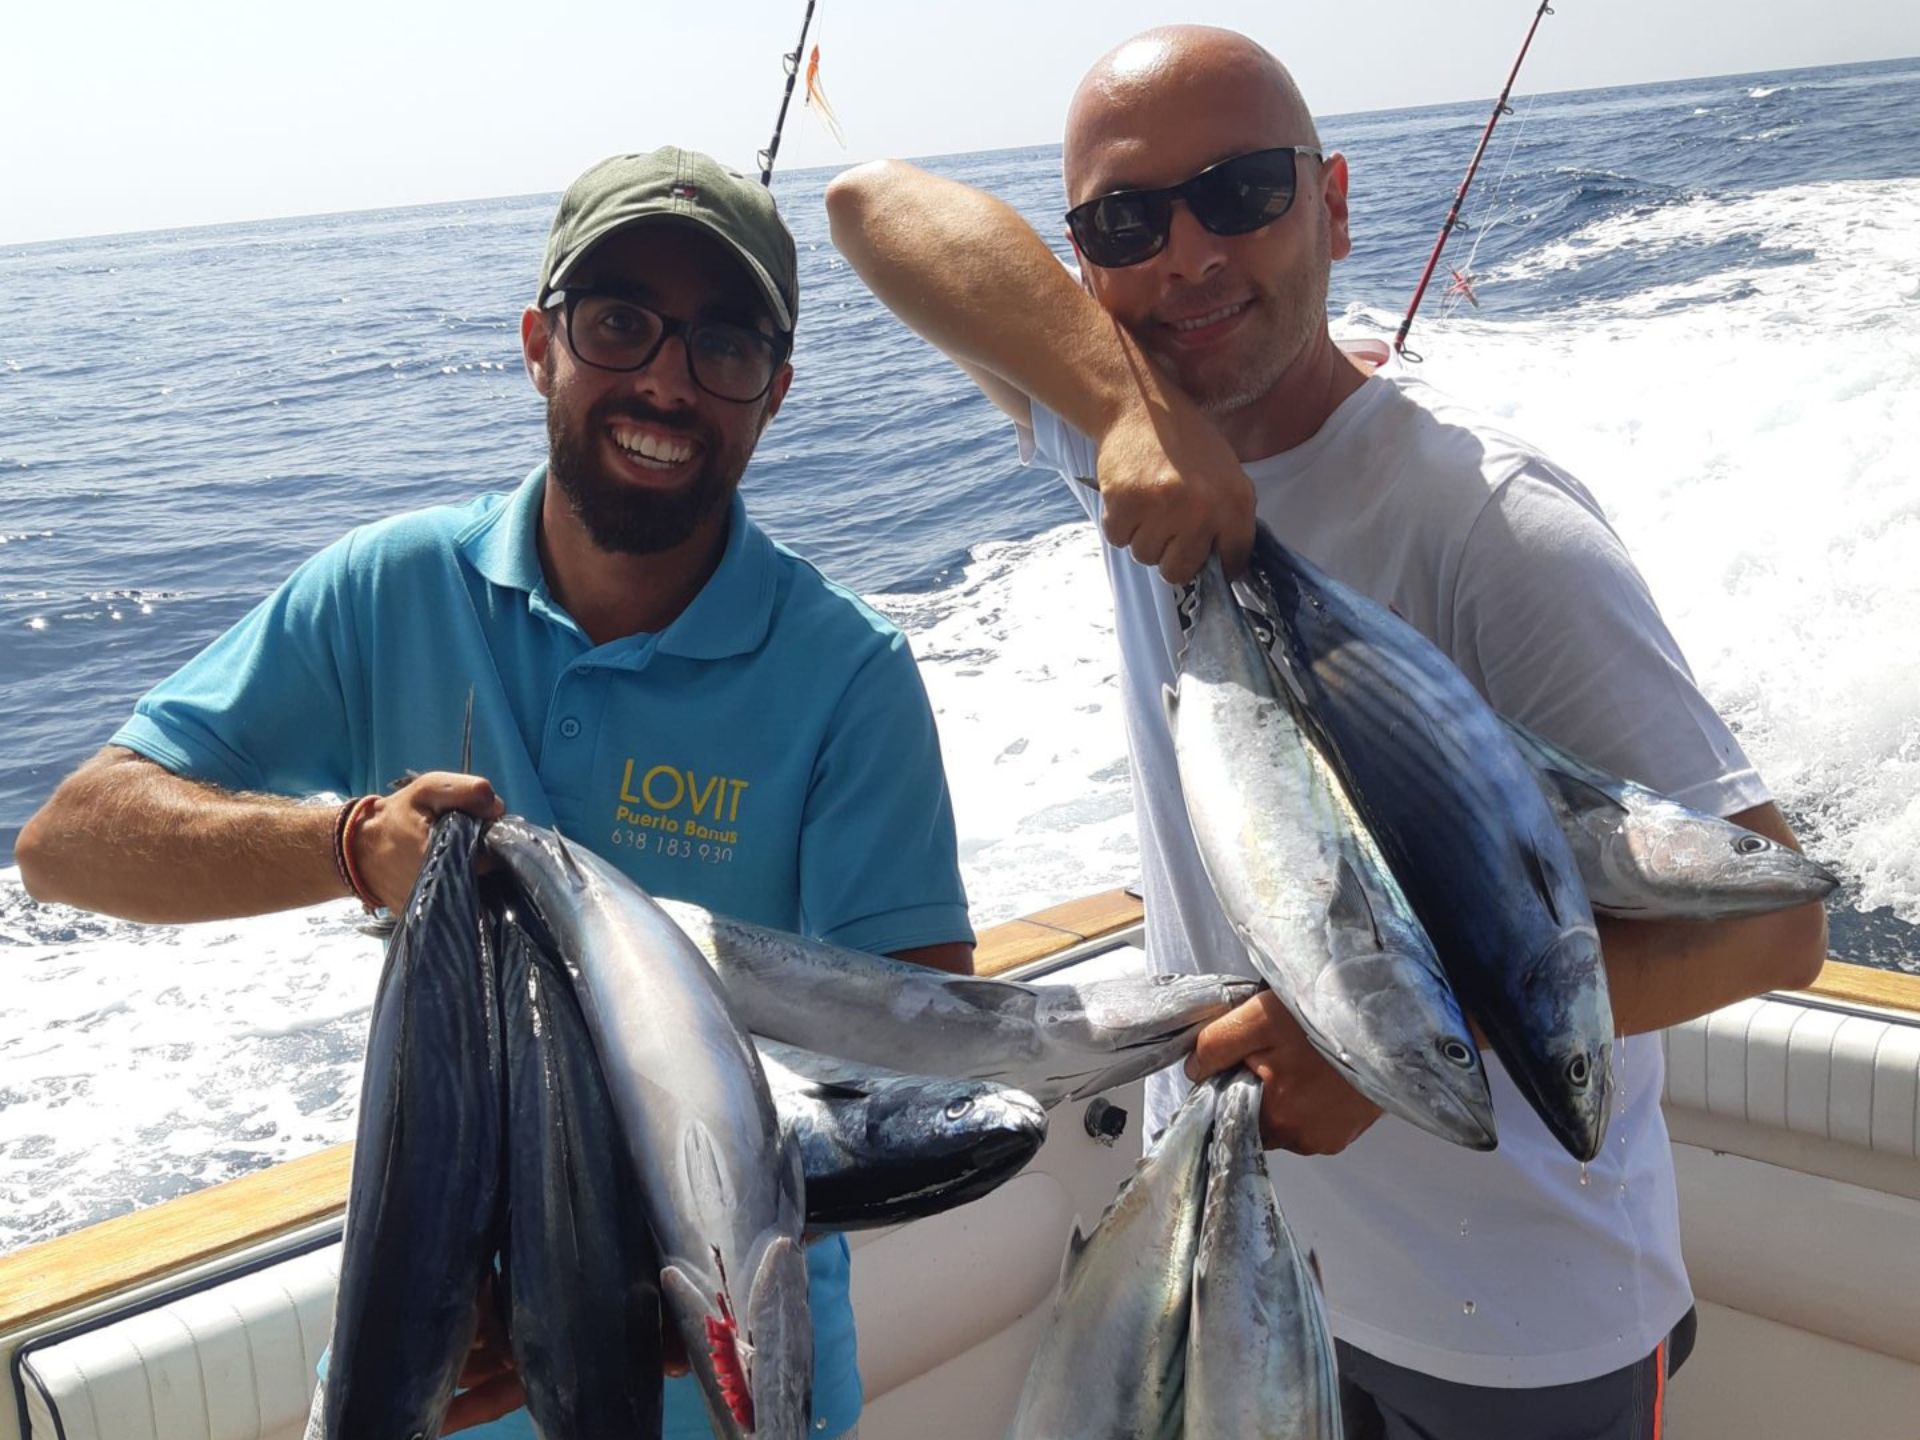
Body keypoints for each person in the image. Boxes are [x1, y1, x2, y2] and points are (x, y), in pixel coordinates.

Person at [825, 26, 1829, 1440]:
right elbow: (874, 207)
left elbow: (1771, 922)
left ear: (1336, 204)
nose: (1186, 258)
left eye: (1241, 191)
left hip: (1520, 1335)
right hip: (1239, 1263)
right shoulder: (1123, 453)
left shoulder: (1493, 528)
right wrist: (1123, 410)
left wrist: (1405, 1046)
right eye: (1127, 220)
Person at [18, 146, 975, 1440]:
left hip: (731, 1383)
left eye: (726, 346)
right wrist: (354, 845)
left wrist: (621, 1276)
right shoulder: (387, 586)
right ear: (540, 344)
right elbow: (70, 843)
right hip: (414, 1383)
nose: (666, 380)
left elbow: (927, 1068)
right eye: (620, 321)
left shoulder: (848, 675)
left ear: (778, 393)